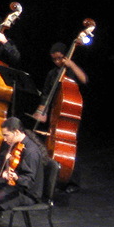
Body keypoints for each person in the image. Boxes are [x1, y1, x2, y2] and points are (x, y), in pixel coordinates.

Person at [33, 41, 88, 193]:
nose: (57, 62)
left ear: (66, 56)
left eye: (60, 58)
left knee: (71, 148)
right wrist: (42, 110)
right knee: (51, 147)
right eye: (54, 59)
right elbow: (46, 94)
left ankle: (73, 181)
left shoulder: (71, 71)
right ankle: (54, 178)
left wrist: (72, 65)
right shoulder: (52, 74)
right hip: (56, 115)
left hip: (70, 114)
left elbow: (84, 80)